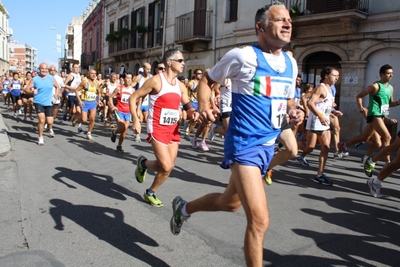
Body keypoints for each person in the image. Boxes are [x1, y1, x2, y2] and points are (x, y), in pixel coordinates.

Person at [169, 3, 302, 266]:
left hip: (268, 144)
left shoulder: (290, 62)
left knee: (229, 203)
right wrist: (205, 107)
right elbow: (207, 81)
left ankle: (183, 208)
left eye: (289, 20)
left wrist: (295, 112)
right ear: (260, 27)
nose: (287, 24)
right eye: (280, 20)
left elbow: (288, 102)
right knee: (260, 220)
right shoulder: (243, 56)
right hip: (244, 143)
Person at [129, 48, 196, 208]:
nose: (183, 63)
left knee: (169, 167)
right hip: (157, 127)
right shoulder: (156, 81)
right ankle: (144, 166)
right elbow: (133, 97)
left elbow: (187, 104)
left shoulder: (180, 85)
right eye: (180, 60)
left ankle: (149, 187)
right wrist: (136, 120)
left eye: (183, 60)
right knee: (166, 165)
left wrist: (194, 113)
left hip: (173, 129)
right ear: (169, 62)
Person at [297, 67, 341, 185]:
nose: (337, 78)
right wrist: (320, 116)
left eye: (338, 76)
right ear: (326, 76)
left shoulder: (330, 89)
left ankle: (319, 175)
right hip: (315, 122)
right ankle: (295, 145)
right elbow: (310, 103)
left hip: (325, 124)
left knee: (326, 148)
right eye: (334, 75)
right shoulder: (321, 87)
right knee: (310, 148)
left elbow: (325, 105)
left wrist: (332, 112)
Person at [361, 64, 399, 176]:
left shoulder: (391, 88)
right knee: (387, 137)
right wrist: (362, 108)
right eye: (388, 73)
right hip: (374, 114)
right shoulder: (375, 86)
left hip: (382, 115)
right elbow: (359, 95)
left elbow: (389, 104)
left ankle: (344, 146)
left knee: (363, 137)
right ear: (382, 74)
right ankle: (384, 162)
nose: (391, 75)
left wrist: (397, 103)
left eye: (392, 73)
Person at [24, 63, 60, 145]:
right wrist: (32, 91)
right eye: (42, 69)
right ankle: (40, 137)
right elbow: (26, 89)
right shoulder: (35, 79)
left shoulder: (51, 78)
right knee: (41, 120)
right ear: (39, 69)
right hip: (38, 102)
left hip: (49, 103)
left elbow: (58, 87)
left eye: (46, 69)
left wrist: (55, 97)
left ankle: (44, 128)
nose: (44, 70)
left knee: (50, 122)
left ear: (47, 70)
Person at [109, 73, 135, 152]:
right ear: (124, 79)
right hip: (119, 111)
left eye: (131, 78)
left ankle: (119, 146)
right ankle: (115, 131)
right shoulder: (119, 88)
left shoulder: (133, 90)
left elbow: (135, 100)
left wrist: (136, 109)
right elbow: (110, 97)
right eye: (127, 78)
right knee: (122, 128)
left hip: (128, 112)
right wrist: (113, 106)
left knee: (124, 131)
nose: (129, 80)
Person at [75, 69, 102, 140]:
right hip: (85, 102)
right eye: (92, 73)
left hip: (93, 103)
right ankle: (79, 120)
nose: (94, 75)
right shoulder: (84, 82)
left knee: (92, 119)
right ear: (88, 74)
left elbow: (99, 92)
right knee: (84, 120)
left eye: (95, 73)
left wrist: (98, 100)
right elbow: (76, 90)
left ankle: (89, 133)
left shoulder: (96, 83)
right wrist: (79, 101)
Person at [133, 62, 153, 142]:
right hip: (139, 102)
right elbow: (132, 87)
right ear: (143, 68)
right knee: (140, 119)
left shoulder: (151, 77)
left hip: (148, 102)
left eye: (150, 69)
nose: (149, 71)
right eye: (147, 69)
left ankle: (145, 133)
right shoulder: (138, 77)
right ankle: (137, 135)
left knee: (146, 119)